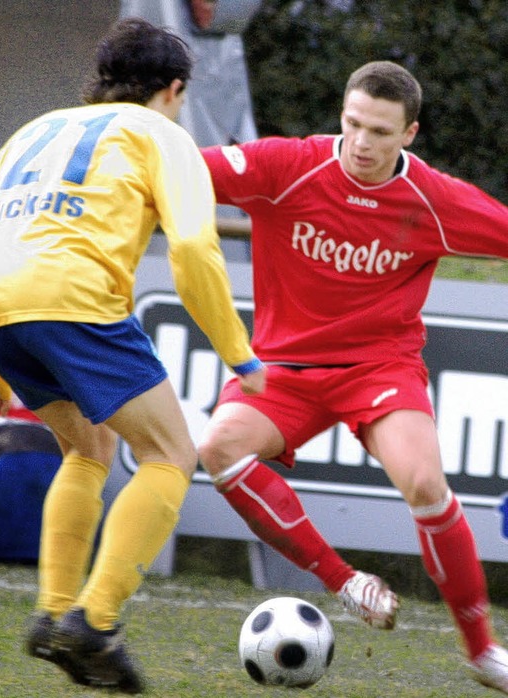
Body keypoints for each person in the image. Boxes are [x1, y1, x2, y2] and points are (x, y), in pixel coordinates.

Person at [0, 17, 265, 694]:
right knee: (171, 454)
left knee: (88, 449)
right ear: (174, 89)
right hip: (74, 299)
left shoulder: (32, 130)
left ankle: (52, 613)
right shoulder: (163, 134)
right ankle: (96, 620)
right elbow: (194, 248)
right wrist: (241, 356)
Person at [198, 60, 508, 694]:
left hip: (378, 368)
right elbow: (177, 171)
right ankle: (346, 582)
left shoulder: (434, 199)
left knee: (425, 482)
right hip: (283, 368)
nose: (363, 144)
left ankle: (482, 654)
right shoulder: (286, 165)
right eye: (354, 124)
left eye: (381, 132)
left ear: (411, 134)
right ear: (342, 114)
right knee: (218, 448)